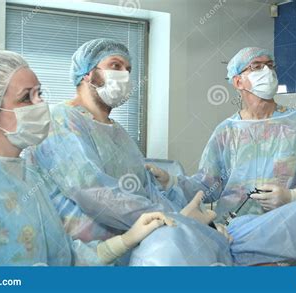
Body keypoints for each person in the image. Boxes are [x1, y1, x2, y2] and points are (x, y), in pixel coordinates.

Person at [0, 49, 173, 266]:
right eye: (26, 98)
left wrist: (126, 240)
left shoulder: (28, 175)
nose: (41, 104)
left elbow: (63, 257)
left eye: (39, 94)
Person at [30, 39, 233, 265]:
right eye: (115, 66)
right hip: (90, 256)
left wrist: (190, 221)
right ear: (88, 73)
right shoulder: (61, 120)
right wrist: (177, 221)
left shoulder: (117, 131)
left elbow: (146, 191)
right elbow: (94, 192)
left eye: (128, 69)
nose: (124, 75)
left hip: (136, 251)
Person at [147, 47, 296, 220]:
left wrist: (293, 196)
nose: (267, 71)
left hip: (287, 229)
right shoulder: (227, 131)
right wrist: (170, 180)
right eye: (256, 67)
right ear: (238, 81)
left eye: (270, 65)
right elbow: (207, 186)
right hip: (234, 231)